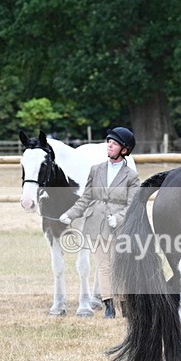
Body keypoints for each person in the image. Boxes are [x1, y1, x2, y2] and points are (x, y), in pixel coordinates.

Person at [59, 127, 140, 318]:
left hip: (120, 226)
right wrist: (70, 214)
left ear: (125, 150)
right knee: (104, 265)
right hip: (96, 223)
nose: (109, 145)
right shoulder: (95, 171)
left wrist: (118, 218)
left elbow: (133, 204)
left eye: (114, 143)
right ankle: (109, 305)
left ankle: (124, 302)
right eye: (108, 142)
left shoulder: (131, 176)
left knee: (118, 264)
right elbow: (86, 198)